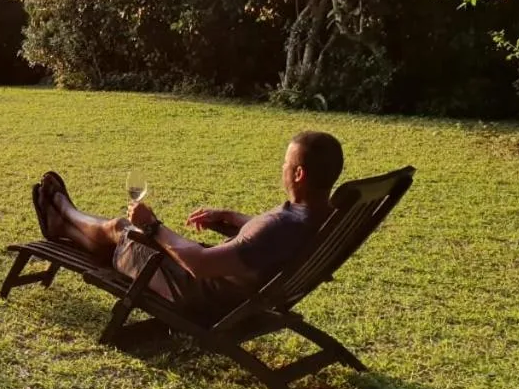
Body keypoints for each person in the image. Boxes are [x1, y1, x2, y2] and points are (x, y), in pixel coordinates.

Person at [33, 131, 344, 321]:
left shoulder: (281, 225)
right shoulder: (324, 218)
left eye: (286, 165)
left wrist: (153, 226)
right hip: (233, 290)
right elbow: (270, 243)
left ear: (299, 174)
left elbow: (200, 264)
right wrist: (234, 219)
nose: (283, 169)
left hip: (199, 294)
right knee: (127, 230)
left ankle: (63, 211)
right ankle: (63, 221)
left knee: (122, 229)